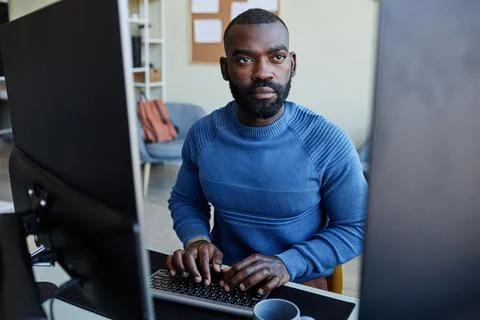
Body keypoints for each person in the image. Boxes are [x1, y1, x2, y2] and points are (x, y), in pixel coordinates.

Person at [166, 8, 367, 295]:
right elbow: (185, 200)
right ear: (225, 68)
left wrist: (288, 263)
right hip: (221, 281)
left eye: (277, 57)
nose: (263, 72)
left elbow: (357, 226)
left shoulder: (328, 142)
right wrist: (197, 240)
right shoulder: (203, 134)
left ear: (292, 64)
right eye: (245, 59)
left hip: (298, 282)